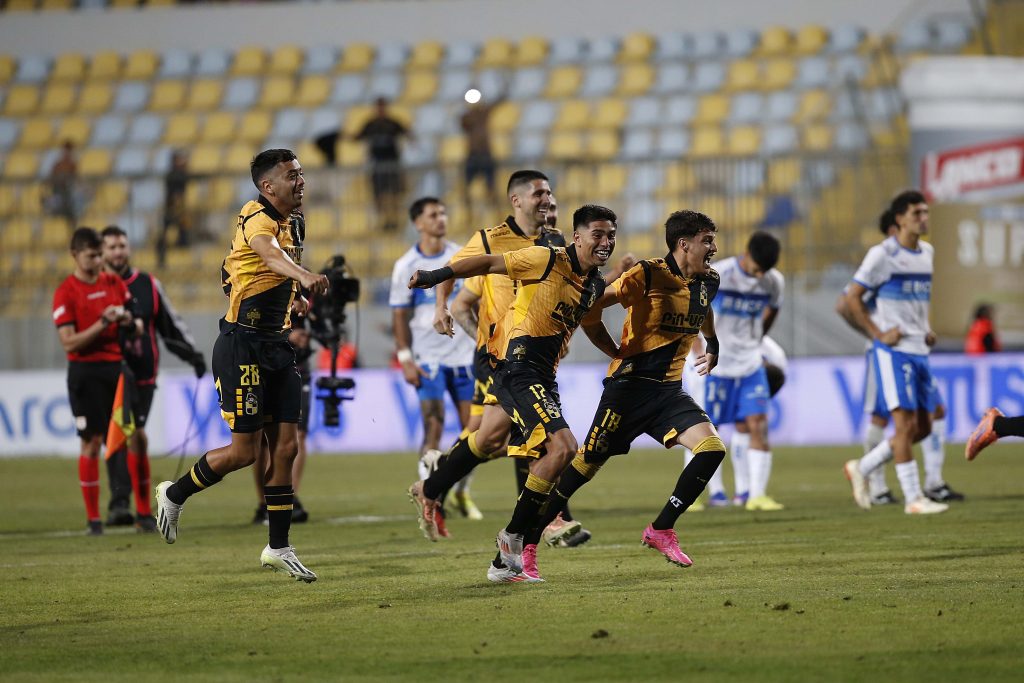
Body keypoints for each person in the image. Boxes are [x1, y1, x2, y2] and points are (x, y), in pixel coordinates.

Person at [409, 204, 617, 584]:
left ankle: (434, 489)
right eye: (598, 235)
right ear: (577, 237)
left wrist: (620, 354)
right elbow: (486, 263)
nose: (606, 242)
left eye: (611, 235)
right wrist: (436, 276)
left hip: (543, 376)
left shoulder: (593, 283)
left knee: (490, 439)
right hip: (516, 368)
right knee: (562, 448)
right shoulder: (545, 258)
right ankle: (514, 541)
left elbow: (592, 324)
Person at [153, 149, 329, 582]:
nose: (301, 181)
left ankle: (278, 547)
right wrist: (303, 276)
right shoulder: (255, 217)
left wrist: (295, 297)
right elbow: (269, 255)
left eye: (301, 173)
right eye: (292, 175)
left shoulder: (295, 221)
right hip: (242, 347)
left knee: (287, 448)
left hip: (277, 346)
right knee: (245, 453)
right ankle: (174, 494)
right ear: (268, 186)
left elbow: (246, 271)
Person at [523, 210, 724, 581]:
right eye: (707, 241)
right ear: (684, 244)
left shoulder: (709, 280)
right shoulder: (647, 274)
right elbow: (593, 305)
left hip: (668, 392)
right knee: (582, 470)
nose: (713, 248)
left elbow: (703, 306)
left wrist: (711, 341)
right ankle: (528, 544)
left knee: (712, 449)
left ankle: (661, 529)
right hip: (628, 390)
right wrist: (610, 347)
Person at [449, 195, 594, 547]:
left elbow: (581, 305)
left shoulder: (565, 262)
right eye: (546, 206)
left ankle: (531, 526)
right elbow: (462, 299)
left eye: (555, 209)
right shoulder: (506, 249)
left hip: (538, 364)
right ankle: (538, 524)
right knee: (531, 439)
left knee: (504, 437)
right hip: (503, 358)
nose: (551, 215)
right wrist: (480, 338)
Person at [836, 209, 960, 504]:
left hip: (913, 349)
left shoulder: (918, 257)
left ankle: (927, 480)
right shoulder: (881, 262)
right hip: (885, 353)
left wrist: (923, 330)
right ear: (895, 227)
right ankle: (879, 487)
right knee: (883, 417)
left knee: (932, 413)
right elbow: (844, 304)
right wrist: (875, 334)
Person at [100, 225, 207, 532]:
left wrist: (192, 355)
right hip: (108, 373)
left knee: (131, 433)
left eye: (122, 245)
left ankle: (126, 504)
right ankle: (123, 502)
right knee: (120, 434)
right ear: (102, 252)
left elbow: (170, 326)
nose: (118, 252)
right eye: (111, 247)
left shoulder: (148, 284)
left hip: (143, 374)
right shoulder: (96, 287)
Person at [389, 197, 480, 528]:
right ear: (418, 223)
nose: (441, 219)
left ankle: (461, 491)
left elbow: (475, 302)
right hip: (428, 360)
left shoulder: (460, 256)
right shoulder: (406, 265)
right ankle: (431, 497)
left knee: (475, 432)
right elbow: (400, 316)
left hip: (464, 356)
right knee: (434, 425)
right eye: (433, 215)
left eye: (443, 213)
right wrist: (405, 358)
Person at [52, 227, 136, 535]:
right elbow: (69, 342)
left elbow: (133, 318)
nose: (99, 261)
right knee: (91, 442)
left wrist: (127, 319)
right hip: (85, 372)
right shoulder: (66, 292)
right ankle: (94, 520)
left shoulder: (113, 282)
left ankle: (140, 513)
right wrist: (104, 322)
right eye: (92, 256)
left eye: (100, 255)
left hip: (116, 369)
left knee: (126, 438)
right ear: (75, 255)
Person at [703, 231, 785, 512]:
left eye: (765, 271)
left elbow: (773, 309)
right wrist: (699, 347)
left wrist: (756, 338)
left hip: (751, 363)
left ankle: (757, 495)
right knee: (708, 429)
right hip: (718, 365)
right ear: (746, 254)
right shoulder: (719, 275)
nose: (760, 275)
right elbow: (697, 309)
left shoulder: (773, 281)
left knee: (757, 423)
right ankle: (715, 492)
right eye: (757, 268)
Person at [253, 308, 314, 525]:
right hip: (264, 366)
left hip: (298, 368)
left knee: (298, 435)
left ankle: (289, 498)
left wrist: (310, 333)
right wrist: (287, 335)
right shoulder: (263, 287)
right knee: (261, 440)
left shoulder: (309, 293)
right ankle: (264, 503)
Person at [316, 97, 410, 231]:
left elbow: (407, 134)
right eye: (379, 107)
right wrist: (343, 135)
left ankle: (395, 218)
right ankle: (383, 219)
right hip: (377, 165)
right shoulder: (371, 124)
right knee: (378, 194)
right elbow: (357, 138)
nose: (380, 110)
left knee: (394, 194)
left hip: (392, 165)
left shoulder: (393, 123)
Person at [460, 92, 504, 204]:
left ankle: (494, 206)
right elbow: (463, 124)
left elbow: (497, 102)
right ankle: (468, 209)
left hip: (483, 154)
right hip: (474, 154)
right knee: (466, 187)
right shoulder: (468, 117)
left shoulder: (482, 113)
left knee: (491, 186)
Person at [158, 150, 190, 267]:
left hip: (178, 209)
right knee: (167, 233)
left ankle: (182, 256)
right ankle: (162, 259)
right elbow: (175, 195)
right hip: (171, 209)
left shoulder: (182, 174)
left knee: (182, 233)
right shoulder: (173, 175)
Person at [46, 140, 80, 229]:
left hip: (67, 193)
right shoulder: (58, 165)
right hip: (59, 192)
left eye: (69, 151)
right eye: (66, 150)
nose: (67, 153)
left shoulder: (72, 164)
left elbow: (75, 179)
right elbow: (51, 178)